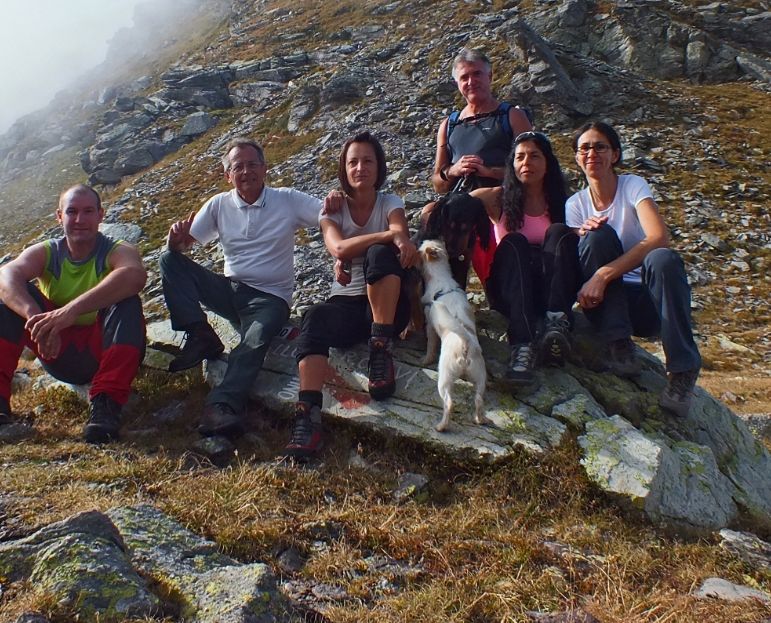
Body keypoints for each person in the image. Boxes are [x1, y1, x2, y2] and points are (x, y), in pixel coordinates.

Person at [160, 138, 337, 438]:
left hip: (271, 298)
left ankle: (222, 405)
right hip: (231, 289)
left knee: (252, 341)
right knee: (168, 260)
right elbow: (185, 244)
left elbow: (326, 215)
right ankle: (201, 334)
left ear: (265, 168)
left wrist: (333, 202)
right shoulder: (219, 204)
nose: (246, 171)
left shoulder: (287, 199)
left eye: (252, 164)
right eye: (237, 166)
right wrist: (175, 241)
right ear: (228, 176)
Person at [0, 184, 148, 443]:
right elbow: (3, 276)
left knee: (126, 302)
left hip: (103, 352)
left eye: (88, 211)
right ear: (59, 216)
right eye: (72, 211)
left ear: (101, 215)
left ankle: (106, 405)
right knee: (11, 301)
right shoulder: (49, 252)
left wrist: (70, 311)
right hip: (57, 351)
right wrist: (36, 320)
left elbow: (134, 275)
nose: (79, 220)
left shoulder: (116, 250)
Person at [285, 132, 418, 460]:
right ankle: (308, 417)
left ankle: (380, 349)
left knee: (378, 254)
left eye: (368, 160)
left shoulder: (391, 202)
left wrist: (387, 240)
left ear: (379, 166)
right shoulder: (332, 210)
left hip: (387, 308)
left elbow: (401, 241)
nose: (361, 167)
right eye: (353, 161)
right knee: (313, 317)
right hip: (345, 305)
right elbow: (339, 247)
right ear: (344, 169)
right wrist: (388, 235)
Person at [565, 121, 702, 416]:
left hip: (648, 303)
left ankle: (683, 370)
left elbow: (658, 237)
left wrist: (603, 274)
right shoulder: (575, 205)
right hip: (607, 307)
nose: (592, 154)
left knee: (662, 258)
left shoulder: (633, 186)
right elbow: (583, 257)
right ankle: (619, 344)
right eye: (584, 148)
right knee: (597, 236)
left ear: (615, 154)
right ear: (576, 158)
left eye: (600, 147)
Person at [470, 132, 582, 383]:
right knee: (515, 241)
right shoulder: (499, 199)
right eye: (519, 157)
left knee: (560, 232)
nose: (526, 163)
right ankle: (523, 344)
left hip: (549, 291)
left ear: (548, 163)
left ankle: (555, 326)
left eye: (534, 156)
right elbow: (462, 202)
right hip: (510, 290)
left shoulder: (564, 203)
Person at [431, 49, 533, 196]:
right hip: (461, 207)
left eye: (477, 74)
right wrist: (454, 170)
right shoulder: (449, 125)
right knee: (428, 212)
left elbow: (533, 170)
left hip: (505, 202)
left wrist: (489, 172)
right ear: (457, 84)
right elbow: (438, 185)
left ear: (489, 76)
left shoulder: (512, 116)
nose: (471, 82)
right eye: (464, 77)